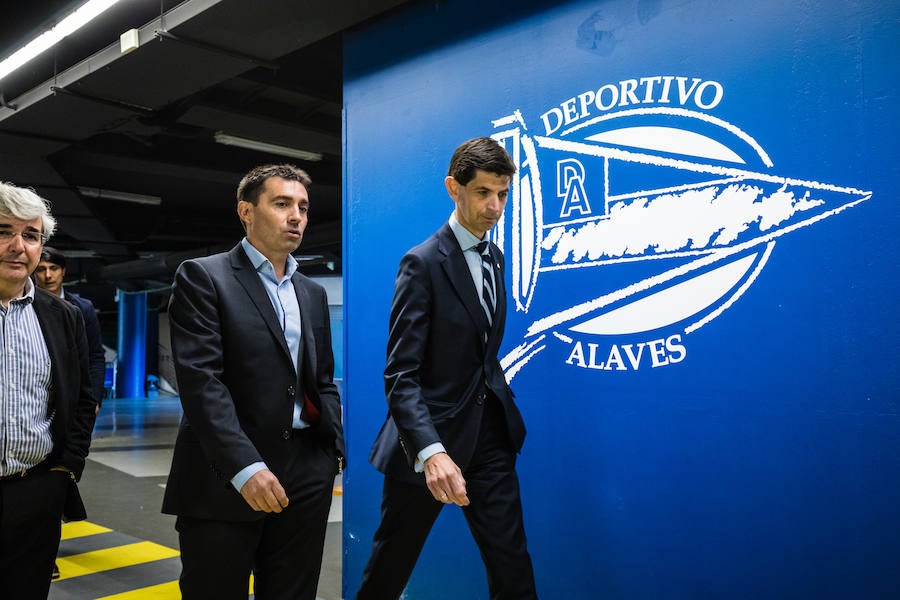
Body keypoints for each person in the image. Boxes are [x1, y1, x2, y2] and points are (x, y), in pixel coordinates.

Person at [357, 137, 538, 599]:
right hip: (428, 444)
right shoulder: (421, 263)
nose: (495, 207)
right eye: (483, 193)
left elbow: (482, 354)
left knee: (512, 566)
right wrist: (431, 452)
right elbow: (401, 373)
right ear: (453, 189)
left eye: (502, 194)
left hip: (490, 438)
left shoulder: (495, 260)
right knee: (390, 566)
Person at [162, 164, 344, 600]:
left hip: (305, 473)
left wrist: (331, 451)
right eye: (281, 204)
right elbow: (203, 383)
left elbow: (321, 380)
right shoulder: (204, 276)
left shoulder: (311, 293)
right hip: (224, 474)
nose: (296, 215)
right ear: (246, 211)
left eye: (302, 206)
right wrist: (245, 466)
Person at [0, 181, 97, 599]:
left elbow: (81, 398)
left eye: (31, 235)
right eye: (4, 231)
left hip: (36, 492)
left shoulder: (62, 316)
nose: (18, 246)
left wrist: (67, 467)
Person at [33, 246, 106, 407]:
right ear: (33, 273)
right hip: (35, 395)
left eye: (54, 268)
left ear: (63, 271)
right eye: (41, 269)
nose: (48, 275)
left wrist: (94, 400)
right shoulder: (26, 308)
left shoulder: (83, 308)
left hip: (74, 396)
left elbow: (95, 356)